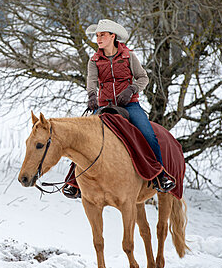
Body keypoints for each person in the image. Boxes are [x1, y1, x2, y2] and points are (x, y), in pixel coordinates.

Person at [63, 18, 176, 199]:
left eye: (102, 35)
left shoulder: (129, 56)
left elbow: (143, 77)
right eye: (97, 35)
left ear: (112, 36)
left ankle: (159, 176)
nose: (98, 38)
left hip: (129, 105)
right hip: (104, 106)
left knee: (147, 133)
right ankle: (73, 181)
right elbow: (91, 82)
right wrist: (92, 96)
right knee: (83, 137)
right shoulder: (94, 60)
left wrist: (132, 89)